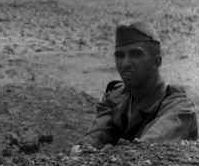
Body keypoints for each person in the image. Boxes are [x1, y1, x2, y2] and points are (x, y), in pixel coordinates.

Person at [73, 21, 198, 153]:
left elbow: (142, 151)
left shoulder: (178, 107)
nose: (125, 63)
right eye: (120, 55)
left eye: (135, 54)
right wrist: (83, 149)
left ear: (156, 62)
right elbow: (93, 140)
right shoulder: (116, 97)